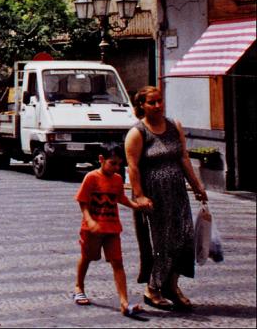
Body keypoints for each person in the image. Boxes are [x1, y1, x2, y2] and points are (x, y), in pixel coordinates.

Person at [125, 86, 206, 312]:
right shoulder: (138, 133)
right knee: (163, 242)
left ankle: (171, 285)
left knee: (186, 237)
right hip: (154, 196)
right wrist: (140, 196)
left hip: (177, 193)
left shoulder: (173, 126)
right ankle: (152, 289)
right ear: (142, 105)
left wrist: (197, 185)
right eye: (152, 102)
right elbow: (133, 167)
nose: (158, 106)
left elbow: (183, 157)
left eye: (160, 101)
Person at [73, 144, 147, 318]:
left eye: (119, 164)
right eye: (112, 163)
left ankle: (124, 302)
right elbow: (82, 201)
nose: (116, 167)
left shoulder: (117, 179)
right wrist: (90, 220)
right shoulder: (91, 177)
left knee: (117, 262)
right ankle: (78, 287)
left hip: (112, 227)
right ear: (101, 159)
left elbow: (120, 197)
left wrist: (136, 206)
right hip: (92, 229)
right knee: (87, 257)